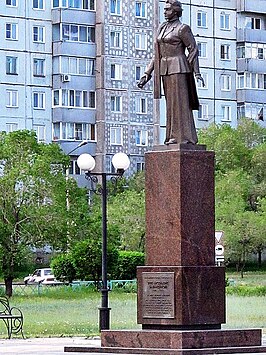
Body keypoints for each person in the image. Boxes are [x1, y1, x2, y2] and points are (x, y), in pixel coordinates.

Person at [138, 0, 204, 145]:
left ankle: (185, 138)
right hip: (165, 69)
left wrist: (197, 72)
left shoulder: (182, 28)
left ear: (175, 11)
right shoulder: (162, 27)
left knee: (179, 104)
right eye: (164, 9)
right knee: (171, 105)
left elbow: (193, 49)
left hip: (179, 68)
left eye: (167, 9)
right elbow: (157, 55)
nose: (164, 12)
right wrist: (147, 73)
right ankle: (172, 137)